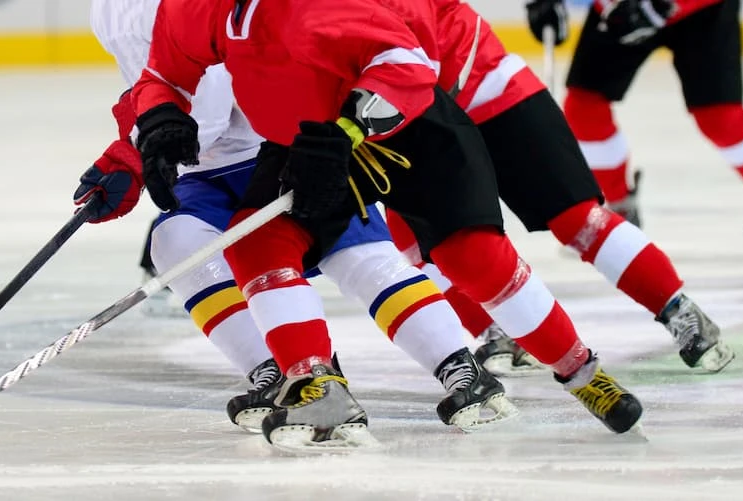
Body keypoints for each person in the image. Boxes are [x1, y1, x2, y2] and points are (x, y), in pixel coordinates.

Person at [132, 0, 643, 450]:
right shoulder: (196, 6)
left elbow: (409, 65)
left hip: (413, 131)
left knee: (474, 260)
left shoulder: (323, 8)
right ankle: (316, 385)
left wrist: (349, 129)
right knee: (257, 242)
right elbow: (166, 73)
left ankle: (583, 373)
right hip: (311, 138)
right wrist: (161, 120)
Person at [81, 0, 514, 445]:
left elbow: (204, 112)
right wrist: (133, 143)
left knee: (354, 253)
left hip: (291, 145)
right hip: (207, 173)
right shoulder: (108, 9)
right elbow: (152, 84)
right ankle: (279, 371)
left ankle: (457, 363)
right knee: (175, 240)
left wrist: (134, 155)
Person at [382, 0, 733, 375]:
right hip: (411, 119)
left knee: (577, 220)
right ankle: (496, 331)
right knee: (417, 241)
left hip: (484, 85)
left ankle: (679, 310)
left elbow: (404, 50)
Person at [526, 0, 743, 245]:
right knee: (584, 108)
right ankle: (620, 208)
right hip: (622, 6)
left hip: (701, 13)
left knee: (718, 117)